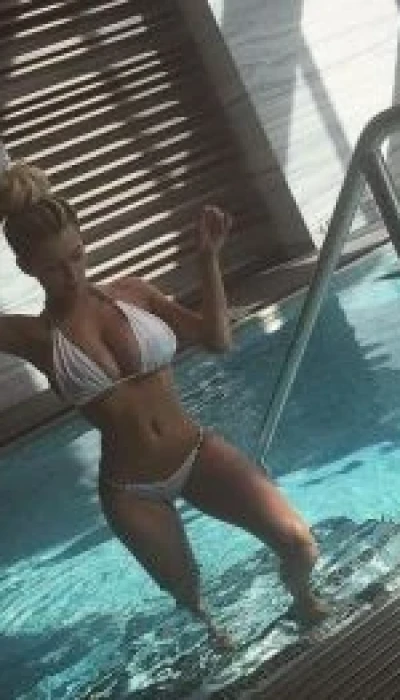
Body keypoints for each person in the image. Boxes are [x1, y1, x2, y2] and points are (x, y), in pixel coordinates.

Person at [0, 160, 327, 649]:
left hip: (195, 451)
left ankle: (301, 598)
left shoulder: (133, 292)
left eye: (77, 255)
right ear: (26, 268)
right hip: (132, 490)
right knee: (193, 600)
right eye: (53, 267)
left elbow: (216, 339)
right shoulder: (32, 336)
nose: (71, 274)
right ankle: (222, 644)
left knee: (300, 545)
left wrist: (208, 259)